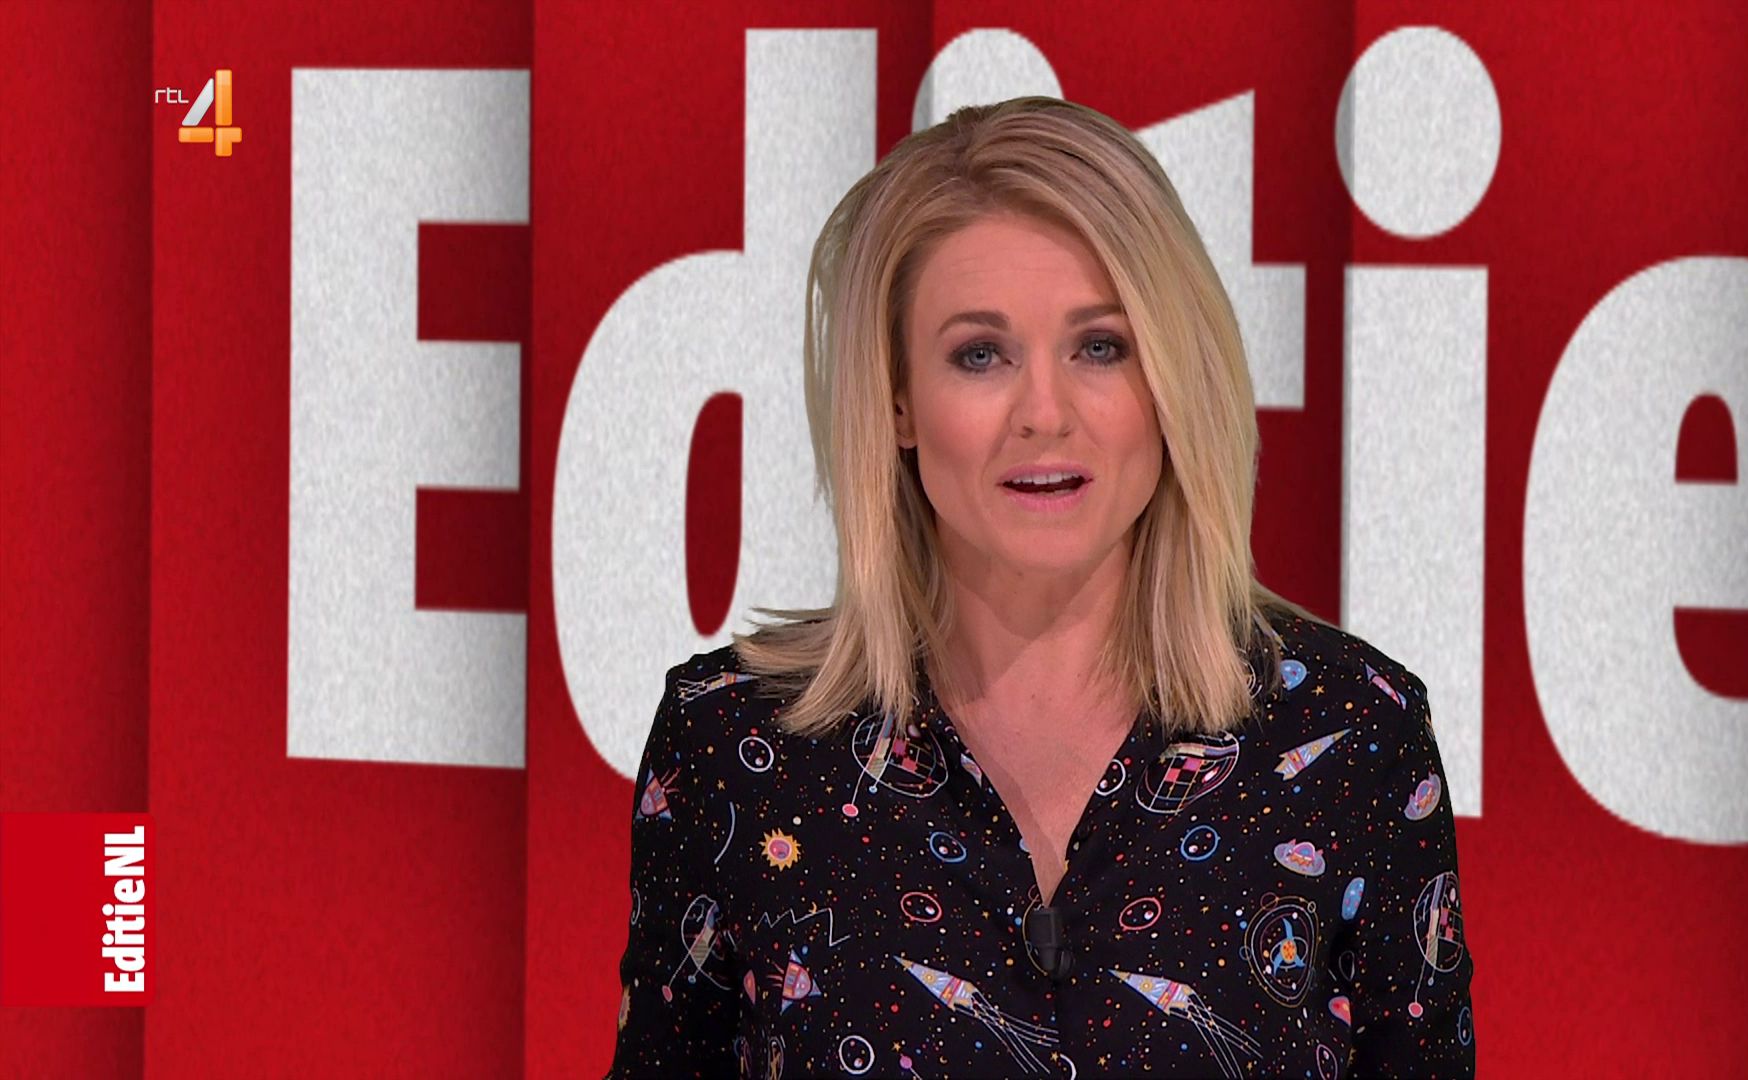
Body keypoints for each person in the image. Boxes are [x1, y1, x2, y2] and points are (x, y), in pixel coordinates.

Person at [605, 95, 1474, 1079]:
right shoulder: (732, 748)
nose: (1045, 413)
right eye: (981, 355)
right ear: (897, 399)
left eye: (1100, 346)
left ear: (1170, 380)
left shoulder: (1355, 737)